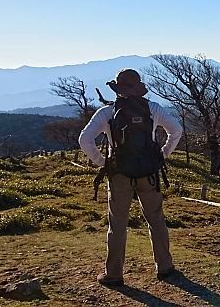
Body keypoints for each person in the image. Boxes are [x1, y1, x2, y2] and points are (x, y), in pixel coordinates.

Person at [78, 68, 183, 287]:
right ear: (138, 88)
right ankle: (165, 268)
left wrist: (102, 162)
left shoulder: (107, 113)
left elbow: (84, 140)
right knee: (156, 220)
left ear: (117, 89)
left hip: (119, 173)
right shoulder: (153, 109)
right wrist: (162, 154)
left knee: (117, 224)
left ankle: (113, 274)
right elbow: (177, 130)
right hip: (148, 173)